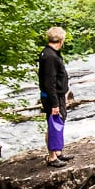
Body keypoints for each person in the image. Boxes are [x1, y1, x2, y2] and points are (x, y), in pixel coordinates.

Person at [38, 26, 71, 167]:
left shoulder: (50, 53)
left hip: (55, 95)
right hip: (53, 97)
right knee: (53, 125)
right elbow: (49, 82)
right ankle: (52, 157)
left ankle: (57, 152)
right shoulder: (50, 56)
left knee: (58, 123)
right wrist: (55, 104)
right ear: (61, 39)